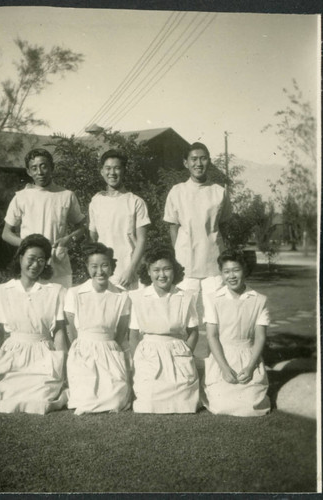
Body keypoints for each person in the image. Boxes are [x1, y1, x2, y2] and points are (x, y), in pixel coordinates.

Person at [0, 234, 68, 415]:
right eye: (31, 258)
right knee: (6, 400)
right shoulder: (2, 291)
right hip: (14, 357)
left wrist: (62, 369)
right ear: (20, 257)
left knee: (40, 400)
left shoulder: (55, 292)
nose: (35, 265)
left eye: (41, 260)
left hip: (43, 357)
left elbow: (60, 333)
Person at [163, 142, 231, 316]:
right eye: (194, 159)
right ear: (186, 163)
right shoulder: (177, 192)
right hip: (186, 263)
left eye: (203, 158)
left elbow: (224, 225)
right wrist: (178, 257)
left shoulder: (219, 192)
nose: (198, 164)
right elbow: (173, 228)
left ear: (209, 161)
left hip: (214, 263)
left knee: (216, 315)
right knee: (184, 316)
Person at [129, 246, 199, 413]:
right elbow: (133, 335)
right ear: (148, 272)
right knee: (148, 400)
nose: (162, 275)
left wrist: (186, 353)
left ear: (174, 270)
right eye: (156, 270)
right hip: (149, 356)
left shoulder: (185, 297)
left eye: (167, 269)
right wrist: (138, 360)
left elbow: (194, 332)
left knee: (183, 400)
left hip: (177, 354)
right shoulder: (138, 298)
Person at [2, 148, 86, 288]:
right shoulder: (21, 197)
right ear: (29, 172)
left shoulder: (66, 195)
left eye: (44, 166)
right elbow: (6, 233)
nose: (39, 172)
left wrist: (69, 239)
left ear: (52, 167)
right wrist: (27, 244)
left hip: (58, 264)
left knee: (61, 307)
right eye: (34, 168)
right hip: (31, 266)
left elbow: (82, 226)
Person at [64, 242, 131, 415]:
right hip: (83, 354)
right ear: (87, 267)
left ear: (112, 267)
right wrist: (81, 352)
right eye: (94, 266)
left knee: (116, 399)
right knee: (85, 399)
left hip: (110, 352)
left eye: (104, 265)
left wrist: (107, 352)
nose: (100, 271)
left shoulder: (121, 295)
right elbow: (72, 331)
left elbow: (121, 333)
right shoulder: (74, 293)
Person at [202, 250, 270, 417]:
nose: (231, 276)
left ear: (245, 271)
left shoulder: (260, 300)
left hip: (248, 358)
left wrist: (250, 366)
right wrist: (224, 369)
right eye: (226, 271)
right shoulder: (213, 299)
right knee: (221, 405)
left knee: (250, 405)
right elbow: (212, 336)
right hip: (221, 358)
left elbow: (260, 336)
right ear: (221, 274)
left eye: (236, 270)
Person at [89, 149, 150, 290]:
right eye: (108, 168)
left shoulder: (135, 201)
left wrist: (131, 270)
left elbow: (142, 240)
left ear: (124, 171)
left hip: (128, 272)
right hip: (103, 273)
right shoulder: (96, 201)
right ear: (102, 171)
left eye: (117, 168)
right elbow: (93, 238)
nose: (112, 173)